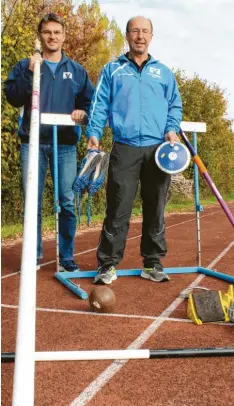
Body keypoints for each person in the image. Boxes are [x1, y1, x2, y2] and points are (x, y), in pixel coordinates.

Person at [86, 16, 182, 284]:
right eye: (135, 31)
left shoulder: (163, 72)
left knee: (156, 206)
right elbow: (99, 103)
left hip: (158, 149)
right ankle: (107, 265)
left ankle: (152, 263)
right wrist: (93, 132)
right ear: (127, 35)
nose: (140, 36)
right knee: (118, 207)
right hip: (125, 147)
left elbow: (174, 105)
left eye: (145, 31)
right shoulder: (112, 70)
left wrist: (171, 128)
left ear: (151, 36)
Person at [4, 13, 94, 272]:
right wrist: (31, 72)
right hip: (31, 143)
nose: (52, 37)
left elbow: (90, 104)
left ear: (64, 36)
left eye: (57, 32)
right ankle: (33, 256)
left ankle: (66, 257)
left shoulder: (76, 71)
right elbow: (12, 96)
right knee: (33, 200)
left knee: (66, 200)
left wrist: (82, 114)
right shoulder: (26, 65)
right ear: (40, 36)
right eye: (47, 32)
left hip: (64, 144)